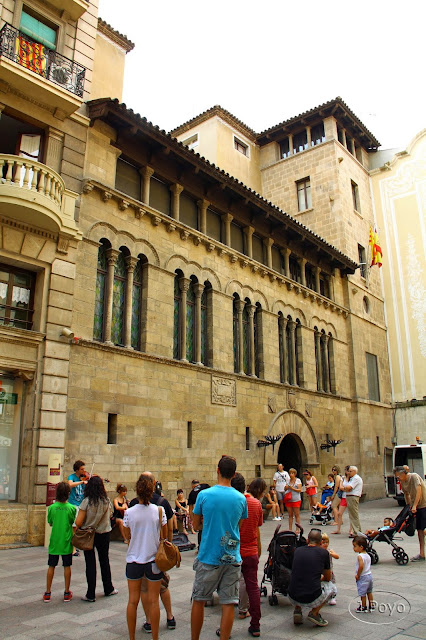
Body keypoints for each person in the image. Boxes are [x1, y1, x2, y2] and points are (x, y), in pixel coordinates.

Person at [190, 456, 248, 640]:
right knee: (228, 603)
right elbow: (238, 525)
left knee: (198, 600)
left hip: (208, 555)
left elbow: (196, 525)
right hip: (232, 556)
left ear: (218, 470)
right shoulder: (241, 498)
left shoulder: (204, 495)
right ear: (234, 474)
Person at [129, 473, 176, 632]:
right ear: (154, 483)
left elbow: (129, 531)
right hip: (157, 556)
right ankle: (170, 617)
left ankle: (149, 621)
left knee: (143, 590)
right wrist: (167, 547)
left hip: (137, 557)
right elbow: (169, 527)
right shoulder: (162, 504)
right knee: (163, 588)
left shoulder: (133, 504)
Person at [231, 474, 266, 638]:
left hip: (234, 551)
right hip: (251, 552)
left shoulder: (235, 502)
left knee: (229, 589)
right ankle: (256, 625)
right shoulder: (256, 504)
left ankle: (226, 628)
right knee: (253, 588)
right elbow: (257, 526)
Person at [75, 476, 117, 602]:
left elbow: (78, 522)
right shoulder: (106, 501)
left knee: (90, 563)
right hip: (104, 533)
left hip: (89, 534)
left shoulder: (86, 502)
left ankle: (90, 593)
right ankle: (108, 588)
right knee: (104, 560)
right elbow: (110, 515)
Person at [288, 529, 334, 627]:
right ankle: (314, 613)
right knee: (332, 587)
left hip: (292, 594)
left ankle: (297, 609)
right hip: (311, 596)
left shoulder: (298, 550)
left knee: (299, 578)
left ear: (307, 541)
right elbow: (328, 577)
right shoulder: (324, 553)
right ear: (321, 542)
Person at [43, 482, 76, 603]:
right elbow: (72, 522)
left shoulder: (51, 508)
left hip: (55, 540)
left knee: (51, 566)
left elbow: (50, 522)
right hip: (66, 540)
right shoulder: (71, 508)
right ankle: (67, 592)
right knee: (67, 566)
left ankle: (48, 592)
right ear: (68, 493)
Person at [393, 466, 426, 561]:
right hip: (416, 507)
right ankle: (422, 554)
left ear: (403, 474)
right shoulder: (403, 482)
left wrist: (415, 505)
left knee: (424, 529)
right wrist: (408, 507)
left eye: (398, 477)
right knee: (419, 530)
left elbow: (418, 490)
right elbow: (406, 494)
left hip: (424, 504)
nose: (398, 479)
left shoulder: (414, 476)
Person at [68, 459, 88, 557]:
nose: (83, 471)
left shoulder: (83, 478)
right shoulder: (72, 477)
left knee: (78, 527)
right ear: (77, 470)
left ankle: (76, 545)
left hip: (81, 505)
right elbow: (70, 484)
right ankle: (72, 548)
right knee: (73, 527)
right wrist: (81, 482)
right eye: (82, 469)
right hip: (73, 504)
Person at [352, 535, 374, 612]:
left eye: (355, 546)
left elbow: (361, 566)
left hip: (363, 576)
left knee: (362, 593)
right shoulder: (367, 555)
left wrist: (358, 575)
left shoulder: (360, 556)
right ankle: (371, 605)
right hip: (369, 575)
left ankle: (363, 606)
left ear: (361, 547)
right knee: (369, 592)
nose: (353, 548)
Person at [343, 466, 363, 536]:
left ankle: (357, 531)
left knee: (354, 514)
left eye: (350, 471)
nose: (349, 473)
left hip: (353, 497)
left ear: (354, 471)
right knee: (352, 515)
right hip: (350, 497)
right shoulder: (352, 478)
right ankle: (356, 531)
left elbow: (349, 488)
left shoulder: (356, 478)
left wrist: (344, 488)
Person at [321, 533, 339, 606]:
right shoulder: (319, 551)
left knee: (332, 584)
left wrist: (331, 554)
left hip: (329, 571)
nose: (325, 544)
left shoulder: (329, 550)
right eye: (323, 542)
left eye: (327, 542)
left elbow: (337, 556)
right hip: (321, 571)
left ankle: (332, 597)